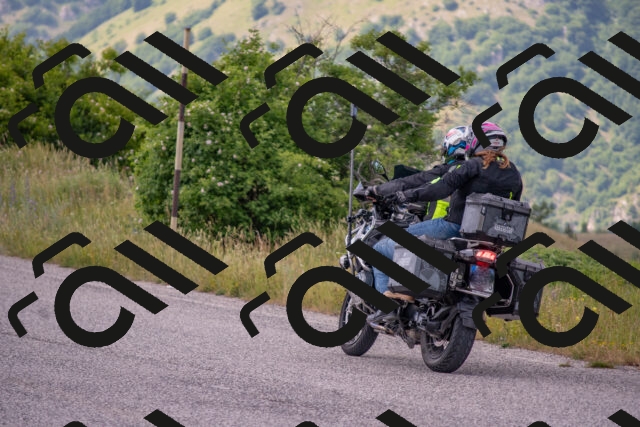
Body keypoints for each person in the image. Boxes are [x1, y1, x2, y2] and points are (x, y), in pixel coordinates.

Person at [367, 121, 523, 323]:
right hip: (491, 241)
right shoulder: (514, 174)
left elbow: (439, 189)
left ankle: (388, 307)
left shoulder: (472, 165)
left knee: (381, 248)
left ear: (476, 142)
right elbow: (513, 206)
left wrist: (404, 196)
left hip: (454, 227)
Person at [365, 126, 469, 221]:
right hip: (456, 224)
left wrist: (377, 190)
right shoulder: (469, 170)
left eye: (445, 150)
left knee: (394, 235)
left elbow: (414, 181)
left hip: (436, 225)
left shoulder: (450, 170)